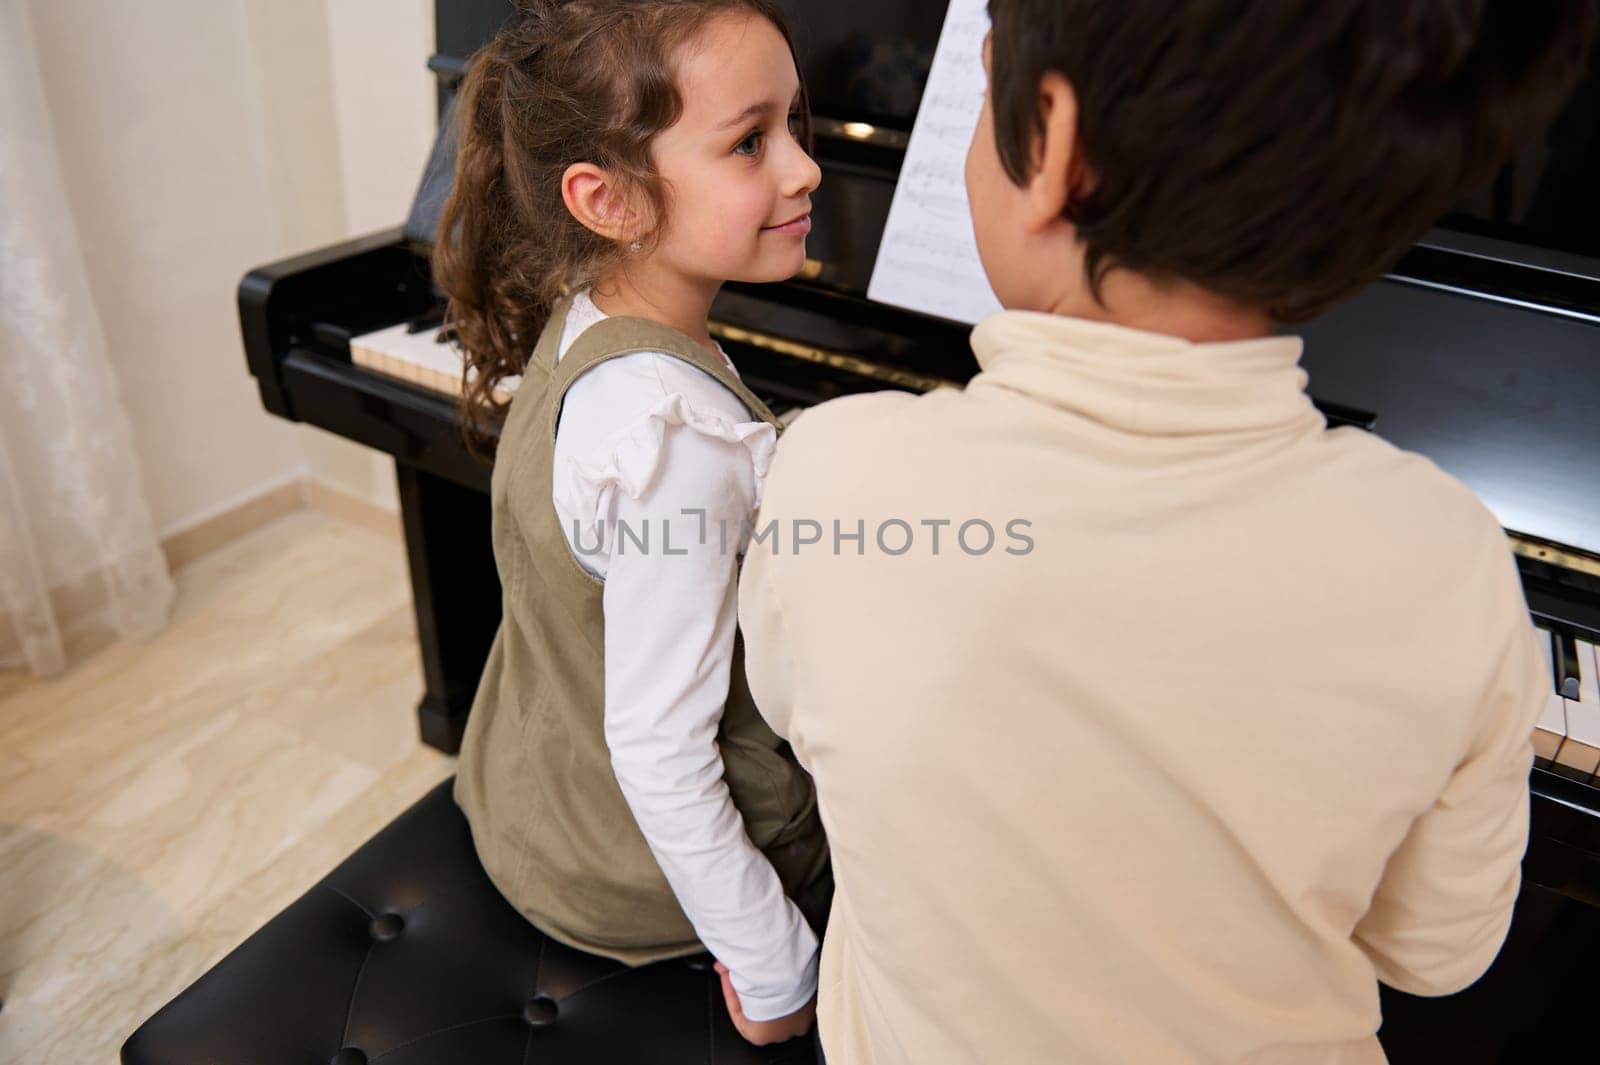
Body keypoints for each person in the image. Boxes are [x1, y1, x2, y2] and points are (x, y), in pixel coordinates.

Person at [736, 1, 1598, 1061]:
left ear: (1048, 148)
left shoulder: (831, 475)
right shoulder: (1448, 557)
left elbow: (798, 712)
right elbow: (1435, 952)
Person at [433, 0, 830, 1046]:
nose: (803, 170)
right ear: (605, 200)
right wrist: (775, 967)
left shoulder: (592, 315)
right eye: (750, 142)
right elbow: (660, 749)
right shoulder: (679, 443)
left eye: (798, 124)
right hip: (628, 883)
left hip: (527, 802)